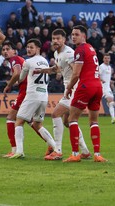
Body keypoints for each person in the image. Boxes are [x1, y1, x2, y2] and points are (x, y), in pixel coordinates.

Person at [34, 29, 91, 160]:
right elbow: (57, 69)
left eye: (58, 38)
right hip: (70, 88)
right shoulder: (57, 53)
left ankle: (58, 150)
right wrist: (42, 70)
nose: (55, 41)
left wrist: (74, 87)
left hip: (75, 89)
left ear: (64, 40)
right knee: (67, 122)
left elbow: (77, 71)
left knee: (55, 114)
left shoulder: (69, 53)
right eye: (53, 39)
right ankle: (85, 151)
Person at [9, 39, 60, 159]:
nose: (28, 49)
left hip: (32, 95)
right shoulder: (45, 61)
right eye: (27, 47)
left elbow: (20, 79)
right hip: (43, 96)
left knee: (19, 121)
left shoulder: (28, 62)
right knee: (37, 124)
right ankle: (56, 149)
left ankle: (19, 151)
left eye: (31, 47)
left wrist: (13, 82)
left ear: (38, 49)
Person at [63, 25, 107, 162]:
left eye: (76, 34)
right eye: (72, 34)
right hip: (97, 86)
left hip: (86, 86)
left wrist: (69, 87)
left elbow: (76, 73)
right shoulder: (91, 48)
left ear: (84, 35)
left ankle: (75, 154)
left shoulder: (80, 49)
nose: (73, 36)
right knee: (94, 121)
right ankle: (97, 154)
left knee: (72, 119)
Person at [99, 54, 115, 124]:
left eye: (108, 58)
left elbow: (107, 77)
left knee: (111, 102)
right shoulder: (101, 67)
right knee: (93, 102)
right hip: (100, 87)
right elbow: (97, 75)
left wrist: (109, 81)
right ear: (103, 59)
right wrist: (101, 80)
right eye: (105, 58)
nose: (107, 59)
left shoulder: (109, 67)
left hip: (107, 87)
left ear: (110, 59)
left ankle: (113, 118)